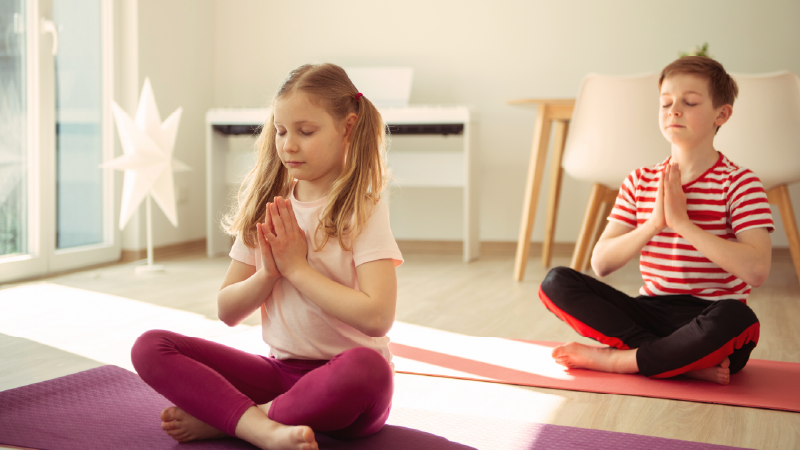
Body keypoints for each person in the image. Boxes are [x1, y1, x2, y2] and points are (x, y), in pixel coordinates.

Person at [131, 63, 402, 450]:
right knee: (150, 346)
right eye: (281, 131)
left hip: (348, 387)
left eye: (306, 132)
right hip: (281, 373)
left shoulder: (363, 208)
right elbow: (227, 310)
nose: (289, 144)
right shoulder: (268, 207)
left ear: (348, 128)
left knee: (368, 368)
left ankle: (236, 420)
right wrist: (269, 275)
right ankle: (261, 425)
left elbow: (377, 318)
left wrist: (296, 268)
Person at [538, 56, 774, 385]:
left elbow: (757, 270)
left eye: (689, 102)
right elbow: (601, 264)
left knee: (739, 318)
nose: (674, 110)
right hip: (649, 313)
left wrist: (683, 225)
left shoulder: (740, 183)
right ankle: (674, 361)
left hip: (709, 317)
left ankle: (618, 361)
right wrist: (653, 224)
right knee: (556, 282)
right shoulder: (639, 180)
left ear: (722, 114)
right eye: (666, 103)